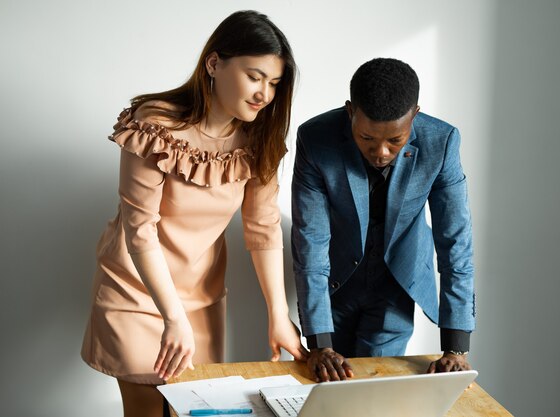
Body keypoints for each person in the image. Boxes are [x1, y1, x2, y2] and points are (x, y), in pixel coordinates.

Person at [81, 10, 307, 417]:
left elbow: (263, 228)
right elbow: (139, 230)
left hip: (201, 300)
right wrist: (172, 315)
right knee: (149, 412)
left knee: (198, 411)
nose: (264, 94)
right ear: (214, 63)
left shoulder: (258, 138)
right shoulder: (155, 125)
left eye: (273, 83)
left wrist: (279, 314)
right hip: (136, 292)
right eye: (255, 76)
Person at [291, 58, 476, 382]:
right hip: (334, 283)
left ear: (414, 117)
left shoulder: (442, 142)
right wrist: (319, 342)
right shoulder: (316, 140)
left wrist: (456, 347)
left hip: (397, 286)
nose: (381, 152)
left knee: (370, 386)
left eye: (395, 140)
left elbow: (455, 242)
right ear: (350, 112)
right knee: (324, 383)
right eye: (367, 138)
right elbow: (311, 240)